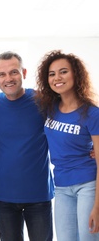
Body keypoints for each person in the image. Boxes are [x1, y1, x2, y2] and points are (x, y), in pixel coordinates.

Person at [0, 51, 54, 241]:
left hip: (39, 195)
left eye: (14, 72)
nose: (8, 78)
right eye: (2, 74)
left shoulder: (42, 100)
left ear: (24, 73)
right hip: (3, 196)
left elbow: (69, 121)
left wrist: (89, 146)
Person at [35, 50, 99, 240]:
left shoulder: (92, 113)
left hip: (87, 185)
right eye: (52, 74)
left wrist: (97, 205)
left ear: (76, 75)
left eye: (63, 71)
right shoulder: (49, 108)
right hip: (61, 186)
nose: (57, 78)